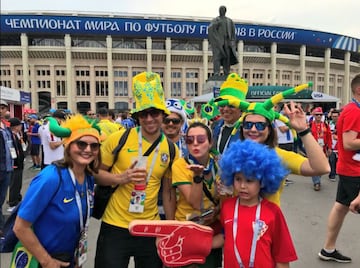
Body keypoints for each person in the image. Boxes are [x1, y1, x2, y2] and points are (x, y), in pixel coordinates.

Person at [94, 71, 179, 268]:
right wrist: (120, 178)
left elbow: (168, 193)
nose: (149, 119)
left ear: (163, 115)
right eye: (143, 114)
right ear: (137, 116)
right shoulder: (119, 139)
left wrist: (169, 230)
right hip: (115, 225)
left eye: (154, 113)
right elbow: (96, 175)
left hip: (150, 227)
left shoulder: (171, 150)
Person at [217, 82, 330, 206]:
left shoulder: (278, 156)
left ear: (269, 129)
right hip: (234, 220)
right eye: (248, 124)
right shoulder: (235, 152)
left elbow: (322, 168)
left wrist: (303, 131)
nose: (253, 129)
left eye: (260, 125)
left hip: (266, 223)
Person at [12, 114, 103, 267]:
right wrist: (47, 261)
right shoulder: (51, 177)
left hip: (69, 258)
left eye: (94, 146)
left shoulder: (88, 178)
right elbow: (20, 227)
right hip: (41, 260)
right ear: (68, 145)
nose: (88, 150)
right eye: (81, 144)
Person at [216, 139, 297, 267]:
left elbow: (282, 256)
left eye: (249, 180)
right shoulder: (227, 206)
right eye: (238, 179)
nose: (242, 186)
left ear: (263, 181)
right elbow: (225, 236)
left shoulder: (273, 212)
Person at [318, 74, 360, 263]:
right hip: (354, 170)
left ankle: (328, 249)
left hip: (349, 169)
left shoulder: (352, 110)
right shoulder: (354, 112)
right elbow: (349, 143)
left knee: (341, 207)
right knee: (343, 207)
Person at [172, 120, 222, 267]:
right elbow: (194, 202)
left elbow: (224, 198)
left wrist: (217, 209)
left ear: (210, 142)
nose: (195, 144)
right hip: (188, 228)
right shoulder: (180, 165)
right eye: (190, 140)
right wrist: (197, 177)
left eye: (201, 139)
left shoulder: (219, 164)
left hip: (212, 227)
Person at [212, 73, 246, 155]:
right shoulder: (215, 126)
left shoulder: (248, 130)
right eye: (222, 105)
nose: (226, 109)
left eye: (231, 106)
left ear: (241, 108)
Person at [208, 5, 238, 76]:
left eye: (223, 10)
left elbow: (233, 33)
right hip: (218, 42)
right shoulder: (216, 20)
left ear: (225, 11)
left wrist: (233, 43)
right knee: (217, 57)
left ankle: (226, 72)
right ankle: (216, 72)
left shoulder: (229, 21)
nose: (221, 11)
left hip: (227, 41)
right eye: (220, 10)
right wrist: (216, 24)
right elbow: (210, 28)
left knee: (227, 58)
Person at [309, 106, 332, 191]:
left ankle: (318, 178)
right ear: (314, 115)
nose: (319, 116)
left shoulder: (325, 125)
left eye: (320, 115)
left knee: (322, 167)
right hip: (313, 148)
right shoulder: (310, 125)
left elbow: (329, 137)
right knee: (314, 166)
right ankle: (316, 182)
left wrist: (329, 147)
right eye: (317, 115)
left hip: (323, 148)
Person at [0, 100, 14, 236]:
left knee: (2, 198)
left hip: (7, 168)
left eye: (3, 107)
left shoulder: (5, 126)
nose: (0, 110)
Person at [7, 117, 25, 212]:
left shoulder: (17, 135)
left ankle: (17, 199)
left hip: (20, 162)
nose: (21, 126)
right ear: (15, 127)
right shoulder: (10, 136)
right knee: (14, 183)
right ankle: (12, 202)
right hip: (15, 163)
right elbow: (12, 150)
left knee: (18, 183)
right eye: (19, 125)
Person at [328, 109, 340, 181]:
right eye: (333, 116)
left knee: (338, 161)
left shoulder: (342, 124)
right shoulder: (329, 124)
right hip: (331, 145)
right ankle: (332, 174)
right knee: (332, 160)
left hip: (339, 146)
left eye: (336, 116)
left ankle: (336, 171)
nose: (334, 118)